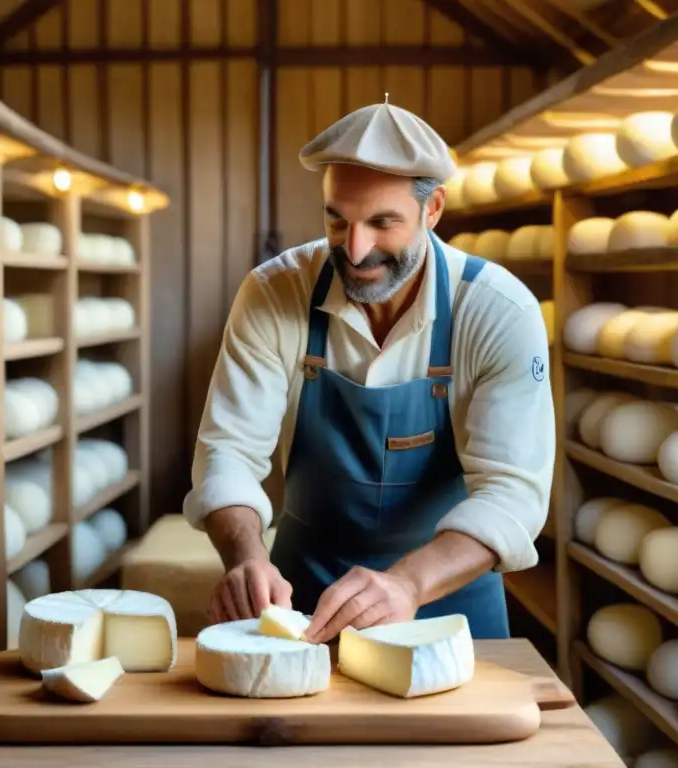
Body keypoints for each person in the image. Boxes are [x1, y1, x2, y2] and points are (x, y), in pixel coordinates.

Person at [182, 98, 555, 645]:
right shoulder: (275, 293)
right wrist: (246, 558)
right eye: (338, 219)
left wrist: (406, 584)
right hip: (301, 592)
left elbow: (513, 493)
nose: (355, 250)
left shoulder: (496, 310)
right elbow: (229, 451)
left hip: (448, 602)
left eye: (383, 223)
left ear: (434, 211)